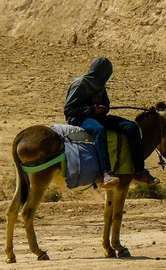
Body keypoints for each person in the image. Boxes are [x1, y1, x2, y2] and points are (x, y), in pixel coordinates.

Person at [64, 56, 160, 187]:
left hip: (97, 117)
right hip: (79, 119)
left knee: (132, 127)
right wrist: (92, 109)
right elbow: (69, 109)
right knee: (98, 130)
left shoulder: (100, 86)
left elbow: (106, 105)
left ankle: (139, 170)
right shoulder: (80, 84)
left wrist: (102, 107)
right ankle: (106, 173)